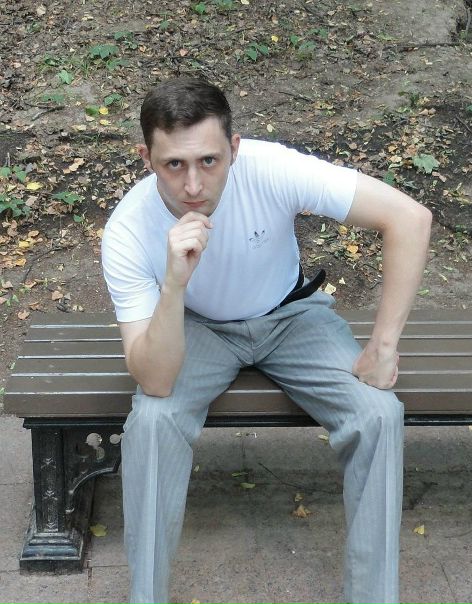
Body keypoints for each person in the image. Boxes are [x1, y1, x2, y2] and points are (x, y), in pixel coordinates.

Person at [101, 77, 432, 604]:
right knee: (153, 422)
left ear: (234, 149)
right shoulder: (128, 229)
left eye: (209, 161)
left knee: (378, 414)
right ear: (147, 159)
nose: (193, 184)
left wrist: (384, 346)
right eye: (174, 164)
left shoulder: (271, 168)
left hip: (291, 316)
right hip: (195, 327)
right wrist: (174, 284)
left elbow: (409, 218)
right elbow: (157, 380)